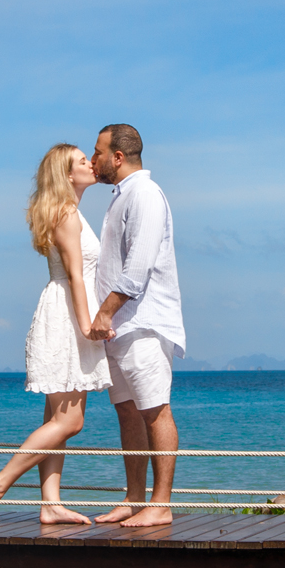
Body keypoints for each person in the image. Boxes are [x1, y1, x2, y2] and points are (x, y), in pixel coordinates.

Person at [0, 143, 110, 523]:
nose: (91, 163)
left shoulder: (70, 211)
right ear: (67, 175)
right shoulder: (67, 213)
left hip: (63, 310)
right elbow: (76, 277)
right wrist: (87, 324)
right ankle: (0, 481)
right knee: (70, 422)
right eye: (83, 161)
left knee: (56, 420)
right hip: (67, 315)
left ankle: (50, 503)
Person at [86, 123, 185, 526]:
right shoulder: (121, 196)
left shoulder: (144, 194)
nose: (94, 160)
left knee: (155, 410)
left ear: (118, 157)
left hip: (141, 323)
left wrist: (105, 312)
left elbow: (138, 267)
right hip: (120, 326)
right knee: (127, 412)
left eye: (98, 152)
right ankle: (133, 498)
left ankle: (160, 504)